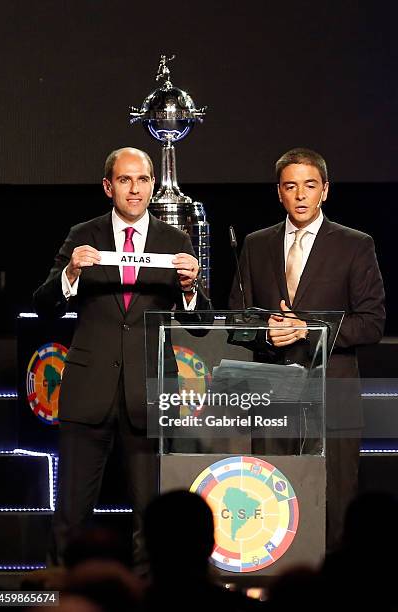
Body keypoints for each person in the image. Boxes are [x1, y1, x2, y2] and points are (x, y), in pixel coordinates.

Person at [33, 147, 210, 566]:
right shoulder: (83, 235)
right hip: (87, 391)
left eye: (144, 179)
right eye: (126, 180)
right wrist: (71, 273)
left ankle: (152, 597)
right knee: (71, 515)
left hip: (148, 392)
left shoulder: (176, 240)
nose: (136, 189)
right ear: (108, 186)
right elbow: (43, 305)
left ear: (153, 184)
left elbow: (200, 323)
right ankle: (65, 598)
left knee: (152, 519)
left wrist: (189, 287)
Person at [229, 147, 385, 549]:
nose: (300, 195)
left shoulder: (355, 244)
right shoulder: (256, 244)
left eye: (310, 186)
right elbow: (238, 319)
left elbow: (371, 322)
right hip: (272, 393)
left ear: (325, 191)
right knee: (274, 502)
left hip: (333, 391)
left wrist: (309, 330)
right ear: (279, 193)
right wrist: (266, 332)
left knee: (335, 501)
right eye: (291, 186)